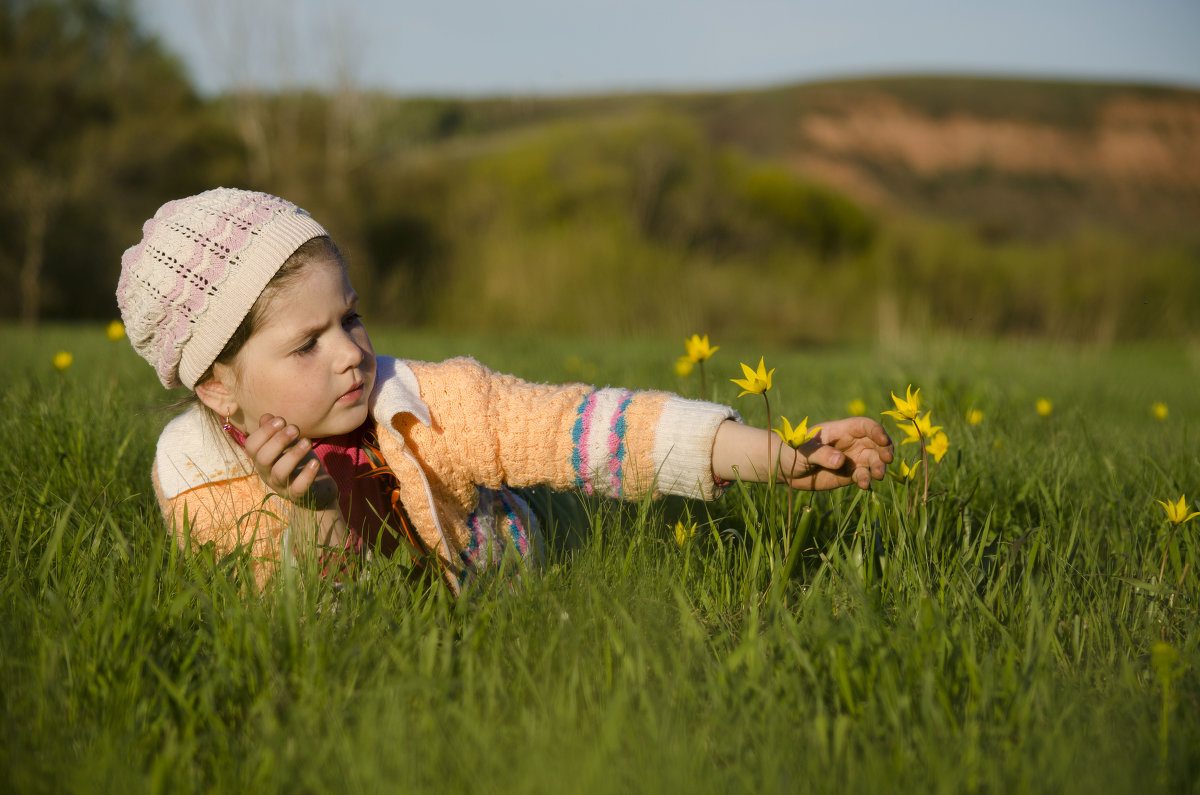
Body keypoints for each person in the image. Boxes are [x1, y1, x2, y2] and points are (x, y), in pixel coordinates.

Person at [118, 188, 893, 593]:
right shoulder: (198, 476)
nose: (351, 354)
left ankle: (543, 508)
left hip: (495, 574)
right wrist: (313, 513)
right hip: (378, 619)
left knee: (552, 468)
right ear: (221, 388)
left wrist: (779, 455)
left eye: (351, 317)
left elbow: (590, 425)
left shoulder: (424, 399)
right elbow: (301, 631)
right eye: (306, 342)